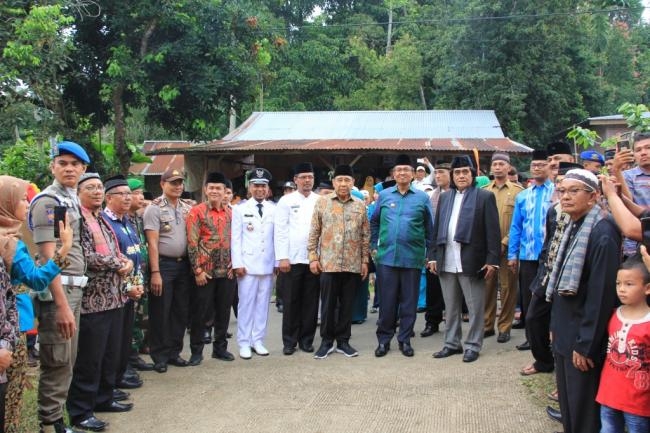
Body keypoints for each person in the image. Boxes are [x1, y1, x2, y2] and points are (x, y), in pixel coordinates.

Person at [548, 168, 621, 433]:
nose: (565, 197)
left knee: (584, 409)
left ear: (594, 197)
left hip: (583, 336)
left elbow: (601, 295)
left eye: (574, 191)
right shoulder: (571, 225)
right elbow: (559, 284)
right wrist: (556, 327)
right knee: (569, 405)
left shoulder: (602, 232)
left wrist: (586, 344)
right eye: (562, 191)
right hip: (567, 329)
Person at [0, 176, 72, 433]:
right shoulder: (10, 244)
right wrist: (63, 250)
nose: (26, 204)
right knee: (12, 391)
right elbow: (37, 280)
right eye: (21, 199)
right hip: (11, 323)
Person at [28, 141, 89, 433]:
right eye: (62, 163)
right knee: (58, 360)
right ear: (52, 166)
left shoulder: (70, 200)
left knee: (68, 359)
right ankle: (50, 424)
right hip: (58, 293)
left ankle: (56, 421)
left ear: (83, 169)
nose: (69, 168)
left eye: (75, 164)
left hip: (73, 290)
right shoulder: (49, 202)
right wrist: (62, 304)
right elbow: (48, 257)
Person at [66, 173, 135, 432]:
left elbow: (114, 248)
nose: (96, 192)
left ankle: (104, 397)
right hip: (93, 300)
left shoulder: (101, 219)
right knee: (90, 358)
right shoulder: (78, 218)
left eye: (98, 187)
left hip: (114, 297)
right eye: (90, 188)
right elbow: (86, 255)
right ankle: (82, 411)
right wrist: (119, 263)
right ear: (79, 193)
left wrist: (124, 260)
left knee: (109, 353)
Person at [429, 155, 500, 363]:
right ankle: (452, 343)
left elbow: (493, 231)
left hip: (472, 260)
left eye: (465, 172)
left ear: (472, 175)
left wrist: (492, 260)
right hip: (447, 259)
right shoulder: (445, 197)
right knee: (450, 307)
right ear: (452, 176)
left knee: (475, 308)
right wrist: (432, 255)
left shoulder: (484, 197)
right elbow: (436, 229)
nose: (461, 176)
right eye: (457, 173)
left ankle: (473, 345)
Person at [371, 154, 433, 358]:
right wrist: (374, 245)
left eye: (406, 170)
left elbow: (429, 228)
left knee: (409, 302)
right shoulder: (385, 196)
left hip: (412, 258)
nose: (402, 173)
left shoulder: (422, 198)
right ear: (394, 174)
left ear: (414, 174)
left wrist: (428, 252)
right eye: (398, 170)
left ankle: (405, 340)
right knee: (387, 302)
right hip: (387, 257)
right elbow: (374, 222)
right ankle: (383, 340)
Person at [308, 165, 370, 359]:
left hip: (352, 264)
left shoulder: (360, 205)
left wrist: (364, 261)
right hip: (328, 264)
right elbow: (314, 232)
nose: (343, 184)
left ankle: (343, 341)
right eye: (340, 180)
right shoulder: (322, 203)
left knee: (347, 305)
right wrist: (313, 257)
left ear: (353, 183)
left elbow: (365, 235)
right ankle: (326, 342)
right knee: (327, 305)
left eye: (347, 180)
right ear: (334, 182)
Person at [143, 168, 193, 372]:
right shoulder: (154, 208)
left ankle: (175, 352)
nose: (178, 186)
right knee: (161, 310)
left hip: (184, 265)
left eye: (180, 182)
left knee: (180, 310)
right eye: (173, 183)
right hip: (163, 265)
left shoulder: (186, 208)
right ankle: (160, 355)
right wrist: (155, 272)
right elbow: (152, 243)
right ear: (162, 184)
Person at [595, 254, 650, 433]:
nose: (621, 289)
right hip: (608, 395)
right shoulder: (612, 315)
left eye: (629, 284)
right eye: (618, 284)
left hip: (639, 401)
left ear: (647, 288)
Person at [186, 172, 237, 365]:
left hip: (228, 271)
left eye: (219, 188)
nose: (215, 191)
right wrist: (197, 270)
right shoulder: (196, 212)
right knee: (201, 313)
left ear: (225, 192)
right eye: (212, 188)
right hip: (205, 272)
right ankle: (196, 351)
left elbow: (238, 240)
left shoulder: (231, 213)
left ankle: (220, 349)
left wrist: (237, 262)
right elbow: (192, 243)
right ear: (205, 190)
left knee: (224, 311)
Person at [101, 176, 146, 391]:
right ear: (108, 198)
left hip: (131, 289)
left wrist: (137, 284)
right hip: (116, 291)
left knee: (125, 336)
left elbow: (135, 256)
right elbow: (114, 260)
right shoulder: (105, 223)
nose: (129, 198)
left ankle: (119, 376)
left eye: (130, 193)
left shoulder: (126, 221)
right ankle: (113, 382)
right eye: (123, 194)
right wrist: (128, 286)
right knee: (114, 341)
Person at [507, 149, 554, 348]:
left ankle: (551, 338)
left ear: (549, 167)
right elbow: (516, 226)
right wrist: (512, 254)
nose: (536, 168)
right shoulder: (523, 196)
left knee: (550, 297)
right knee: (528, 299)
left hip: (552, 255)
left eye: (541, 165)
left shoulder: (557, 192)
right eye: (534, 165)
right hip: (527, 255)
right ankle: (532, 338)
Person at [274, 162, 321, 355]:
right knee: (291, 301)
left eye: (310, 177)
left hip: (313, 259)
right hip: (291, 260)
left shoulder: (320, 200)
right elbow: (280, 230)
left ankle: (307, 340)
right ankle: (289, 341)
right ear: (296, 180)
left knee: (311, 302)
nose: (307, 180)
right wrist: (282, 257)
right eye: (303, 177)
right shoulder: (286, 201)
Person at [231, 168, 277, 359]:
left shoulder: (274, 209)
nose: (260, 189)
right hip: (247, 265)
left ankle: (257, 340)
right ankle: (243, 342)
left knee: (262, 304)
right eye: (256, 185)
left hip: (267, 264)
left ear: (268, 188)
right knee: (246, 304)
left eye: (263, 186)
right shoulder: (239, 209)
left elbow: (278, 238)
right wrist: (237, 264)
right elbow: (236, 238)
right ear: (249, 187)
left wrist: (277, 261)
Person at [482, 153, 524, 343]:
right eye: (495, 164)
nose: (498, 167)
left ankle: (505, 327)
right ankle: (487, 324)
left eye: (501, 164)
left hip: (509, 248)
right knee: (487, 286)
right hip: (487, 249)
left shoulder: (518, 191)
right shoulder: (483, 191)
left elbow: (520, 222)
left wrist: (504, 242)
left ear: (508, 167)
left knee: (508, 288)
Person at [420, 161, 451, 337]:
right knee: (433, 286)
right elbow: (427, 225)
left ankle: (453, 322)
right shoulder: (432, 196)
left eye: (442, 172)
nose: (438, 176)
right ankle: (432, 322)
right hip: (434, 246)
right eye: (436, 173)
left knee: (454, 285)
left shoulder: (457, 194)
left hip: (454, 247)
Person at [275, 181, 296, 313]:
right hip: (283, 246)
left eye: (291, 189)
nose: (288, 192)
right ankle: (280, 300)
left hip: (295, 246)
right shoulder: (280, 203)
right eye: (286, 190)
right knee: (282, 277)